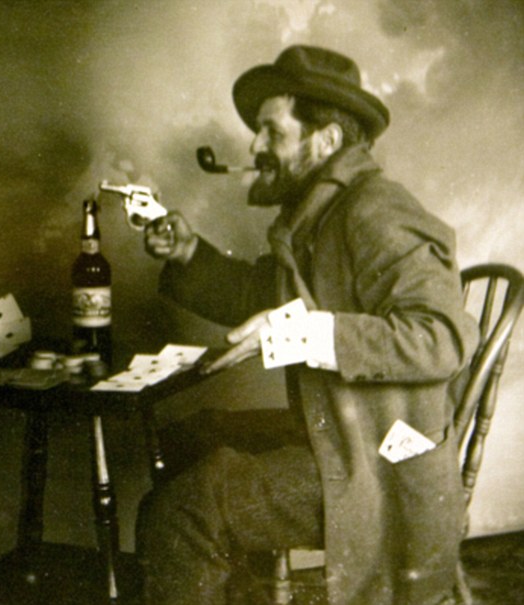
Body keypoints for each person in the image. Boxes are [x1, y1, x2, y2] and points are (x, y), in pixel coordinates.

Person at [136, 46, 480, 605]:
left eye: (271, 131)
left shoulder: (375, 210)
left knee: (186, 508)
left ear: (326, 140)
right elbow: (263, 295)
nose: (255, 146)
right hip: (341, 435)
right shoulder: (320, 214)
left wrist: (302, 334)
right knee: (187, 438)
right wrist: (188, 253)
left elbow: (442, 337)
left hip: (381, 465)